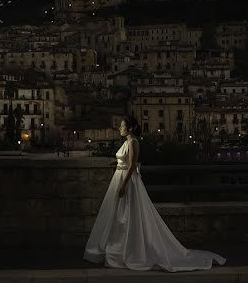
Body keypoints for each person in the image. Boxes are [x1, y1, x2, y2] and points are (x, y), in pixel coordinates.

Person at [84, 115, 226, 271]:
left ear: (130, 128)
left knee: (127, 214)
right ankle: (119, 248)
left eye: (122, 125)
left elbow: (132, 165)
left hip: (127, 181)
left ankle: (127, 250)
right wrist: (116, 162)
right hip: (120, 177)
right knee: (119, 215)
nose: (120, 128)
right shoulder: (126, 142)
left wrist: (124, 184)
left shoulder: (133, 142)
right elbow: (125, 160)